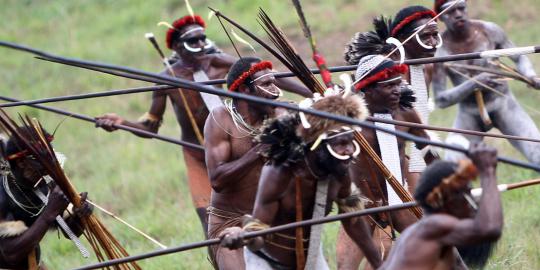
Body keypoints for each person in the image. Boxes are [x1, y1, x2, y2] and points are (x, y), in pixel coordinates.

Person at [95, 15, 312, 236]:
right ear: (177, 47)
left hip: (237, 144)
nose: (200, 46)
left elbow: (264, 77)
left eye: (203, 39)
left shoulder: (222, 63)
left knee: (261, 203)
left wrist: (310, 91)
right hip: (197, 155)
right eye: (193, 41)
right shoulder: (166, 80)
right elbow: (150, 128)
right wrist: (121, 123)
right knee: (209, 218)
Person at [219, 93, 382, 270]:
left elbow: (353, 221)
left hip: (311, 257)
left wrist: (379, 264)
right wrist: (243, 235)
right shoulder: (280, 172)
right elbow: (258, 233)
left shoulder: (338, 171)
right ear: (318, 143)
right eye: (341, 144)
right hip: (268, 262)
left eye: (351, 142)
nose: (349, 151)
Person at [336, 55, 437, 270]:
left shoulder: (406, 114)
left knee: (438, 252)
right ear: (368, 90)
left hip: (400, 198)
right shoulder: (347, 121)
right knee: (345, 267)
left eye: (398, 83)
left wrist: (449, 184)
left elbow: (427, 150)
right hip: (360, 205)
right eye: (389, 85)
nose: (397, 90)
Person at [204, 57, 292, 269]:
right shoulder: (221, 120)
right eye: (266, 84)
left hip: (272, 221)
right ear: (244, 90)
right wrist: (259, 150)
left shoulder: (282, 114)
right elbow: (217, 180)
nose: (275, 90)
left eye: (274, 83)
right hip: (229, 221)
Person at [432, 0, 540, 164]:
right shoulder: (440, 50)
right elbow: (440, 99)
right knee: (452, 165)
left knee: (537, 152)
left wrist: (530, 76)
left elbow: (520, 57)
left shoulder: (489, 30)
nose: (458, 14)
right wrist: (473, 83)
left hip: (503, 103)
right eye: (451, 12)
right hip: (469, 113)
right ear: (441, 17)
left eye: (461, 8)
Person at [380, 143, 502, 269]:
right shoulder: (437, 226)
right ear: (449, 199)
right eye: (467, 194)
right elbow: (489, 229)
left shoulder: (417, 234)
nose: (471, 204)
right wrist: (488, 170)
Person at [0, 130, 92, 269]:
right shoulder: (3, 193)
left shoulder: (44, 185)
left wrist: (80, 214)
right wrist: (50, 212)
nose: (49, 171)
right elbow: (11, 253)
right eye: (42, 165)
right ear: (21, 163)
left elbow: (72, 232)